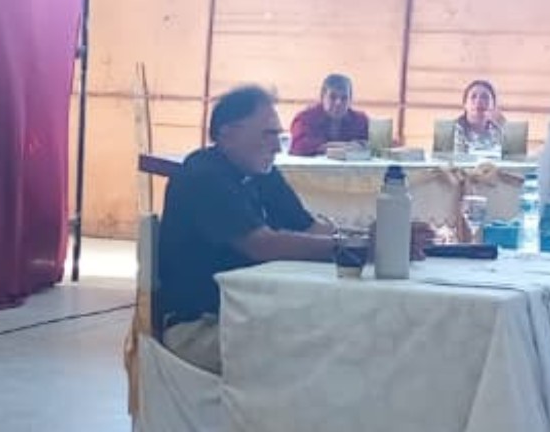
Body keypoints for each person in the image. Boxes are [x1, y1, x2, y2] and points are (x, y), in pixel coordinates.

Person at [157, 86, 425, 374]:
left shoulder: (260, 171)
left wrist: (377, 237)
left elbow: (309, 227)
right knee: (330, 353)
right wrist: (360, 247)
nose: (277, 147)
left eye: (278, 136)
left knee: (349, 331)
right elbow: (261, 244)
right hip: (200, 327)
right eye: (268, 134)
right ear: (228, 133)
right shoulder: (203, 176)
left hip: (248, 311)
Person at [288, 72, 371, 155]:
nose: (338, 103)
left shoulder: (360, 121)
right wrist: (344, 146)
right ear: (322, 97)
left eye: (344, 98)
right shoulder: (305, 119)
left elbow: (371, 145)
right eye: (333, 97)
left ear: (350, 100)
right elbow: (297, 146)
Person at [453, 78, 505, 153]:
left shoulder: (503, 134)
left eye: (485, 97)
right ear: (465, 104)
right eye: (473, 97)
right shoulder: (450, 132)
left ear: (493, 105)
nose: (479, 101)